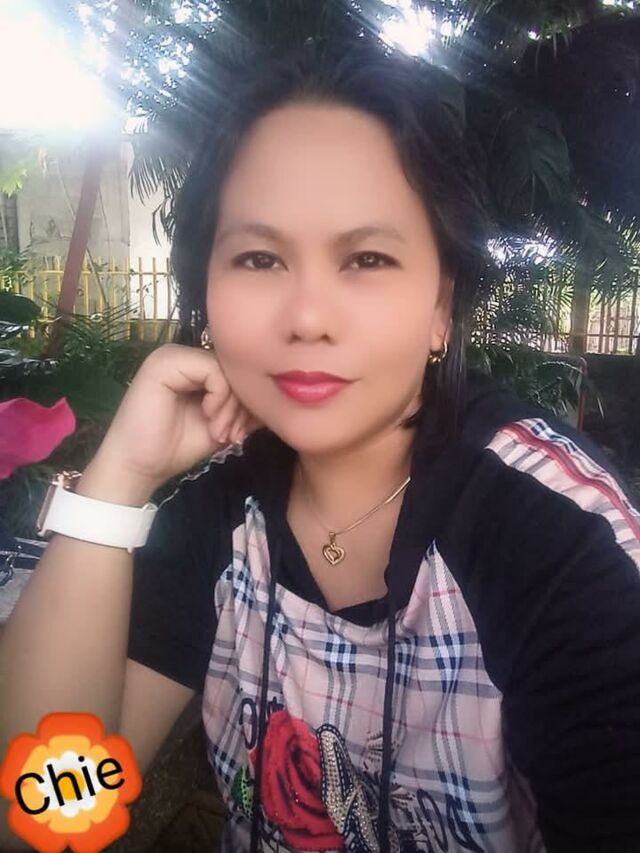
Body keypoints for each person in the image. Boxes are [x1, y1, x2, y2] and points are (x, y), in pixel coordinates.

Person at [2, 37, 640, 853]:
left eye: (367, 258)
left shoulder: (556, 538)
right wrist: (119, 479)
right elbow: (45, 817)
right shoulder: (222, 521)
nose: (306, 316)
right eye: (259, 257)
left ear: (441, 307)